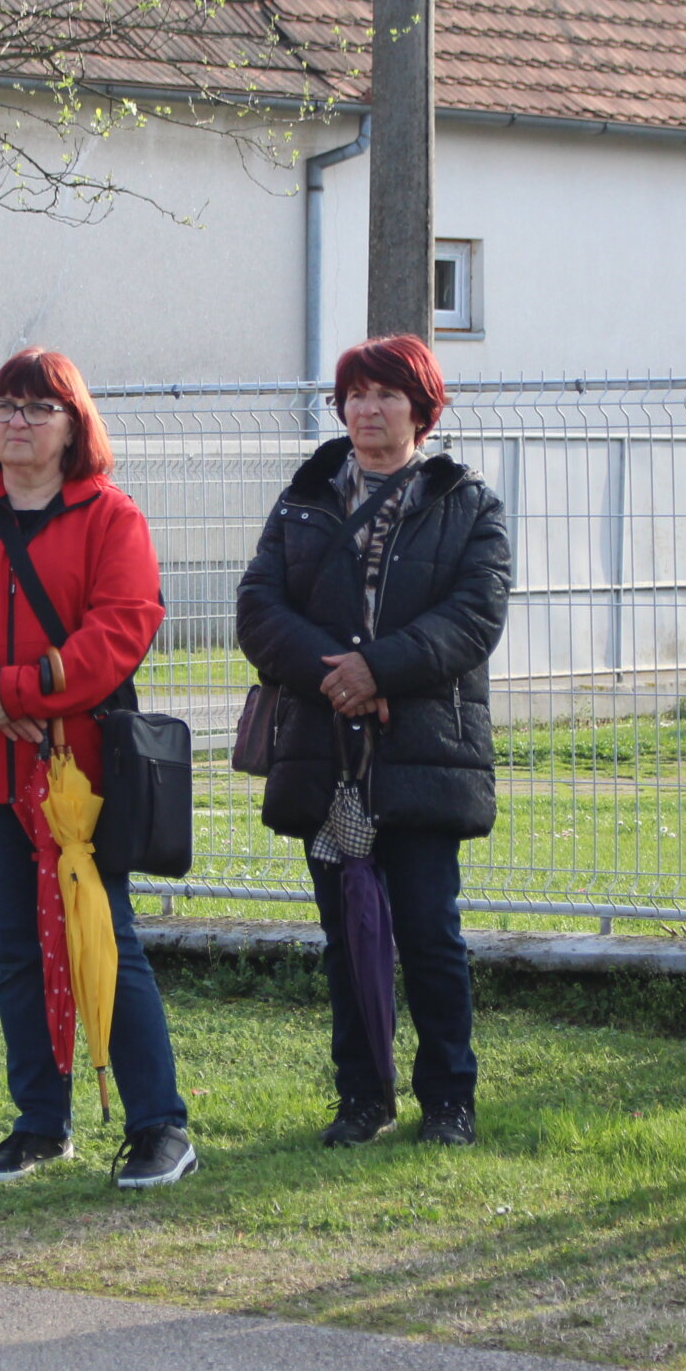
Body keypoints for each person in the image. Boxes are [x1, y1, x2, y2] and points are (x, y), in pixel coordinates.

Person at [0, 348, 197, 1189]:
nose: (16, 423)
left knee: (106, 938)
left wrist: (22, 688)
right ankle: (40, 1122)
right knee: (18, 948)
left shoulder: (111, 518)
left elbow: (123, 627)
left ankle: (161, 1124)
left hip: (80, 775)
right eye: (4, 407)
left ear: (73, 425)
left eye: (37, 408)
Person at [235, 336, 511, 1149]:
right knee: (344, 931)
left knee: (429, 931)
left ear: (423, 409)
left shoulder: (470, 504)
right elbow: (257, 606)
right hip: (326, 753)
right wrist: (340, 678)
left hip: (424, 751)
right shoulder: (304, 498)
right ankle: (363, 1097)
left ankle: (448, 1101)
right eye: (354, 395)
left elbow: (474, 616)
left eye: (387, 395)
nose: (367, 410)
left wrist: (379, 671)